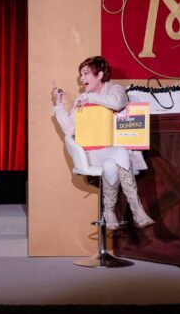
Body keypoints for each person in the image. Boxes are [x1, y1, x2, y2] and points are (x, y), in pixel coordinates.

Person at [52, 55, 154, 230]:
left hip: (110, 153)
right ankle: (137, 209)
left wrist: (91, 98)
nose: (82, 78)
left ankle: (109, 211)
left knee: (110, 165)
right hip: (91, 153)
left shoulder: (115, 90)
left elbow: (117, 103)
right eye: (81, 74)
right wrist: (59, 104)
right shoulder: (81, 99)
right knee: (119, 152)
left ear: (99, 75)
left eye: (86, 73)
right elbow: (69, 130)